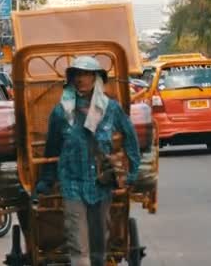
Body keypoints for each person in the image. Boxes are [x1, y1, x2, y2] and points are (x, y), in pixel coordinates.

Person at [34, 56, 140, 266]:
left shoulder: (111, 108)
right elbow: (52, 149)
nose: (81, 79)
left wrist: (133, 172)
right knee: (78, 244)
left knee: (99, 246)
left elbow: (130, 137)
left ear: (95, 78)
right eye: (77, 74)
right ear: (71, 79)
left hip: (101, 185)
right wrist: (45, 181)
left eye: (86, 74)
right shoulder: (60, 112)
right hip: (72, 183)